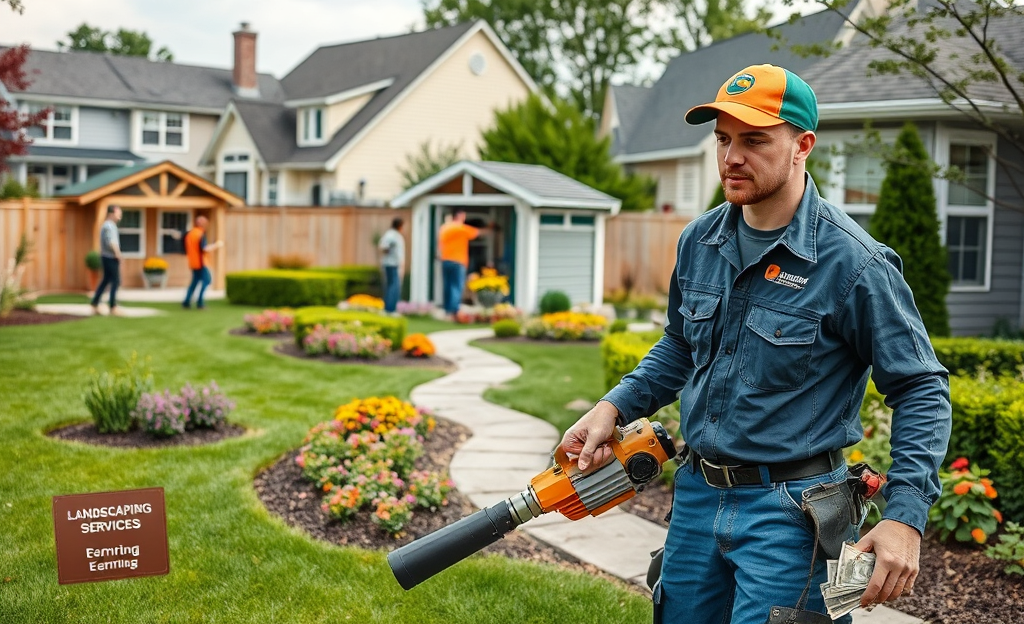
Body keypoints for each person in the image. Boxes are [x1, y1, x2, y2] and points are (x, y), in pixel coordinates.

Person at [558, 64, 951, 624]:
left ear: (802, 146)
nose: (731, 157)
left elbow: (921, 388)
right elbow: (681, 344)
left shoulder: (854, 263)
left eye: (754, 139)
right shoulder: (701, 239)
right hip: (696, 496)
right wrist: (613, 405)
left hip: (792, 514)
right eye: (723, 139)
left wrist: (906, 515)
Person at [438, 210, 480, 317]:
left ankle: (447, 309)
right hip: (458, 261)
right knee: (456, 286)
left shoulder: (444, 228)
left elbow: (440, 243)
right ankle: (454, 310)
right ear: (459, 216)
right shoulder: (461, 228)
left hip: (446, 260)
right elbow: (476, 233)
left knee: (447, 285)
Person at [182, 216, 223, 310]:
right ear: (202, 223)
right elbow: (204, 248)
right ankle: (200, 302)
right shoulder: (200, 234)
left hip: (192, 262)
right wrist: (216, 245)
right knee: (207, 280)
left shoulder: (190, 234)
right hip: (201, 263)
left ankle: (186, 302)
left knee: (194, 282)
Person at [91, 205, 123, 316]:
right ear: (111, 213)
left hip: (107, 257)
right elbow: (111, 242)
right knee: (116, 281)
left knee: (106, 280)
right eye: (118, 214)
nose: (120, 216)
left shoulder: (108, 225)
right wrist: (118, 254)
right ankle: (113, 306)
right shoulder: (109, 226)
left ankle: (95, 302)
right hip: (110, 257)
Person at [378, 217, 405, 314]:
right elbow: (383, 247)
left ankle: (389, 308)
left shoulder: (392, 234)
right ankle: (390, 309)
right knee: (394, 286)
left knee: (391, 286)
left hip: (390, 264)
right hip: (392, 264)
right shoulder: (392, 235)